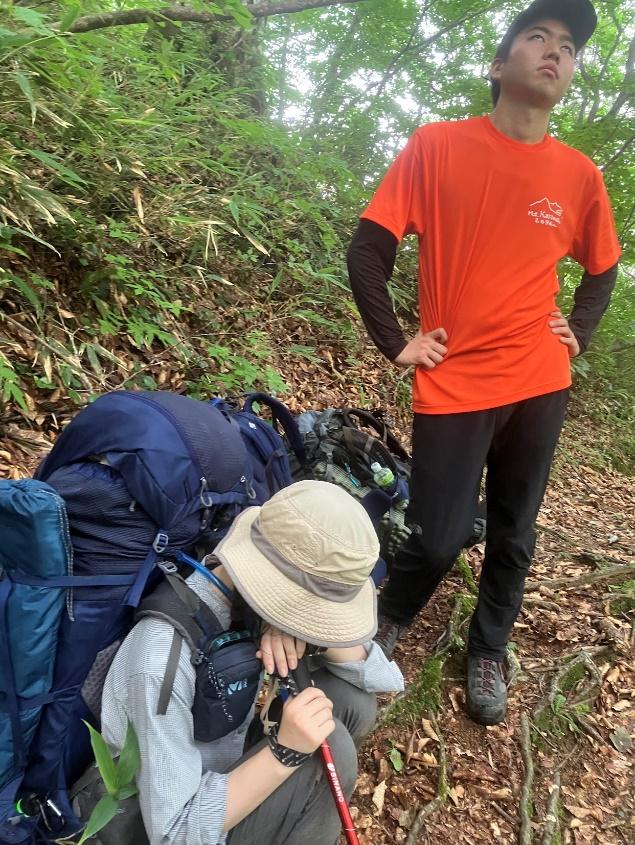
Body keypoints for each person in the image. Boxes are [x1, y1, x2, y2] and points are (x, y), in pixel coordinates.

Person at [347, 0, 621, 725]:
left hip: (538, 380)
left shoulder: (578, 174)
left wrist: (578, 333)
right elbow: (368, 250)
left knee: (513, 527)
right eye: (537, 36)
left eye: (566, 45)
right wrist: (394, 339)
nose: (554, 51)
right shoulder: (436, 146)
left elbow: (603, 269)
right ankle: (386, 616)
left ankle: (488, 644)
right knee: (437, 531)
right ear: (498, 66)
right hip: (454, 377)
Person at [98, 480, 404, 845]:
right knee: (332, 749)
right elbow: (173, 833)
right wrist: (283, 752)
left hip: (226, 758)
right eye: (315, 612)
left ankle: (297, 808)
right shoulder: (160, 658)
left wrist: (303, 633)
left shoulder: (240, 596)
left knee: (352, 702)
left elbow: (384, 678)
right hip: (175, 817)